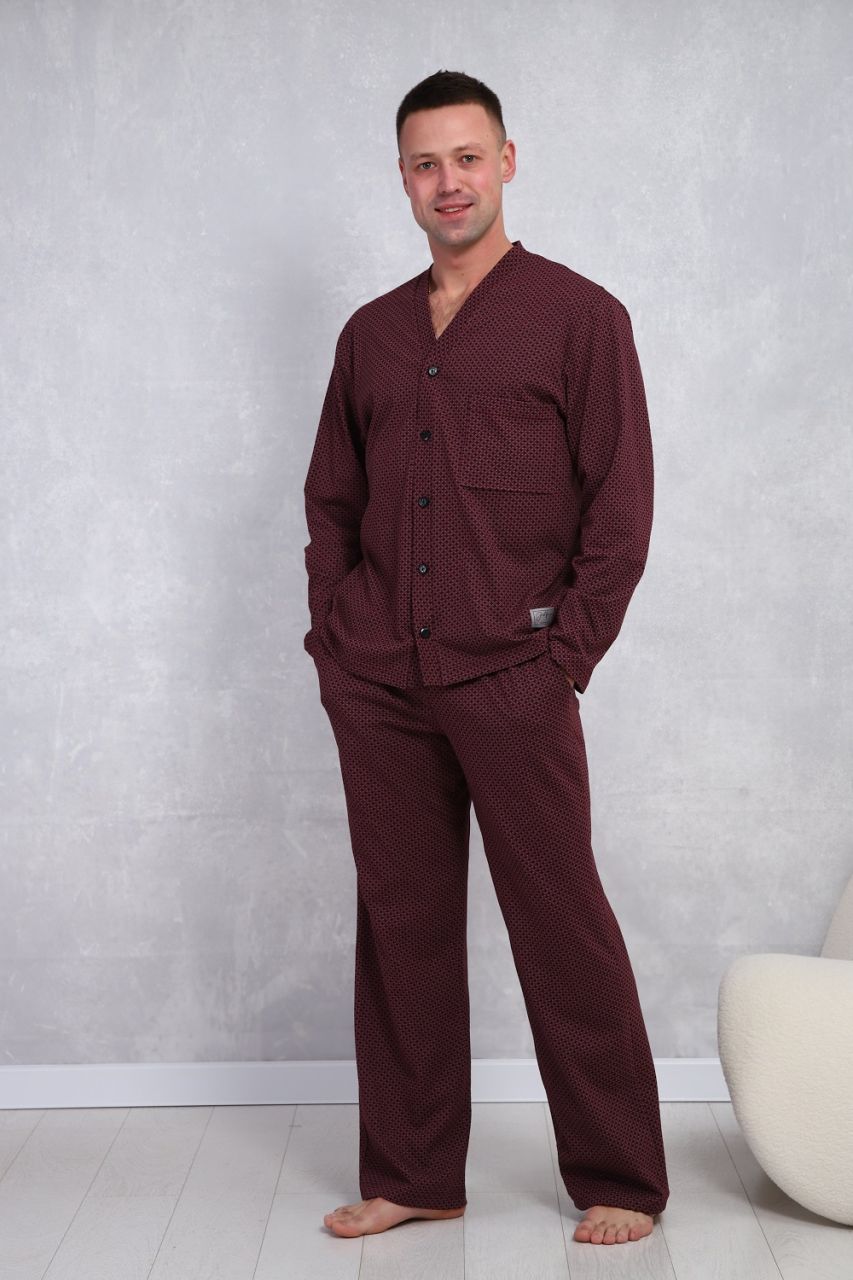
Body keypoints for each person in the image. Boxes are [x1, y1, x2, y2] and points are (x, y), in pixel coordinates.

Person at [303, 69, 670, 1247]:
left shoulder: (579, 318)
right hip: (381, 681)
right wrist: (335, 637)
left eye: (467, 157)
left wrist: (565, 654)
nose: (447, 182)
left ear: (506, 162)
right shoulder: (369, 336)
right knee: (401, 927)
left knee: (561, 921)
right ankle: (417, 1171)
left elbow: (620, 506)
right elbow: (332, 502)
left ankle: (620, 1173)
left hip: (514, 674)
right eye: (425, 163)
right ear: (402, 178)